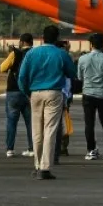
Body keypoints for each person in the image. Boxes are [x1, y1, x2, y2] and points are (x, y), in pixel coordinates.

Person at [16, 24, 75, 180]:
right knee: (50, 130)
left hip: (35, 93)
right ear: (57, 39)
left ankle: (36, 164)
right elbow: (71, 73)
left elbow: (21, 77)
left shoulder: (32, 53)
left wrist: (27, 92)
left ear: (42, 38)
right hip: (54, 93)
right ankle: (45, 167)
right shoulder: (61, 54)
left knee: (37, 130)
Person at [77, 32, 103, 160]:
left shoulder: (83, 59)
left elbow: (79, 77)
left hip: (88, 93)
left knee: (89, 123)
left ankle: (91, 150)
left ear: (91, 44)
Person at [0, 33, 35, 158]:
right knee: (30, 122)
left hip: (13, 91)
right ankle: (32, 148)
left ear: (21, 42)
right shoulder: (35, 54)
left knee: (11, 121)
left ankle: (10, 149)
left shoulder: (15, 53)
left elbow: (2, 68)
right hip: (29, 92)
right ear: (32, 42)